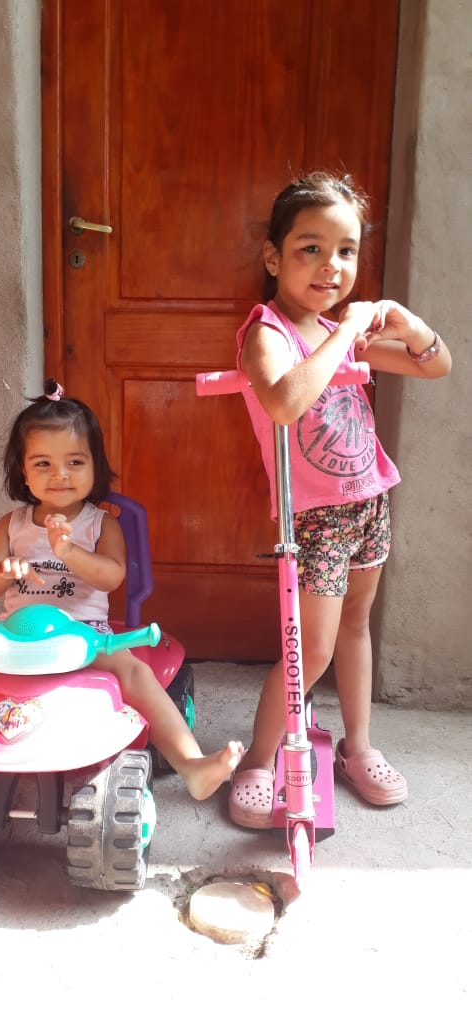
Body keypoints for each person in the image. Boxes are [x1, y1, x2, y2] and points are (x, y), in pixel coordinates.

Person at [229, 171, 452, 827]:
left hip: (368, 501)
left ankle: (358, 748)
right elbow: (283, 401)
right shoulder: (267, 332)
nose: (331, 265)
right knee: (311, 649)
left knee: (357, 625)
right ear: (274, 257)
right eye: (311, 248)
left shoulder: (341, 331)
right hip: (317, 517)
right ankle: (259, 762)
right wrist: (345, 332)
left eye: (346, 250)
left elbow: (435, 364)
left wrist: (407, 324)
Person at [0, 379, 244, 801]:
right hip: (15, 640)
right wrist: (2, 570)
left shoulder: (100, 524)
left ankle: (191, 764)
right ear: (23, 472)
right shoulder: (11, 525)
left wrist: (69, 552)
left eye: (74, 461)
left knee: (136, 673)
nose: (60, 475)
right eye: (43, 463)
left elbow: (111, 576)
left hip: (86, 637)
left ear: (95, 466)